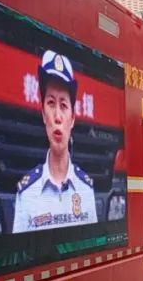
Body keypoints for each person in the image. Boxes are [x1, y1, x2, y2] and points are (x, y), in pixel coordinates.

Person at [13, 51, 98, 233]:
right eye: (51, 103)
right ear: (43, 114)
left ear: (73, 118)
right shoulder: (27, 192)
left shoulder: (86, 189)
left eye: (64, 105)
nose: (57, 116)